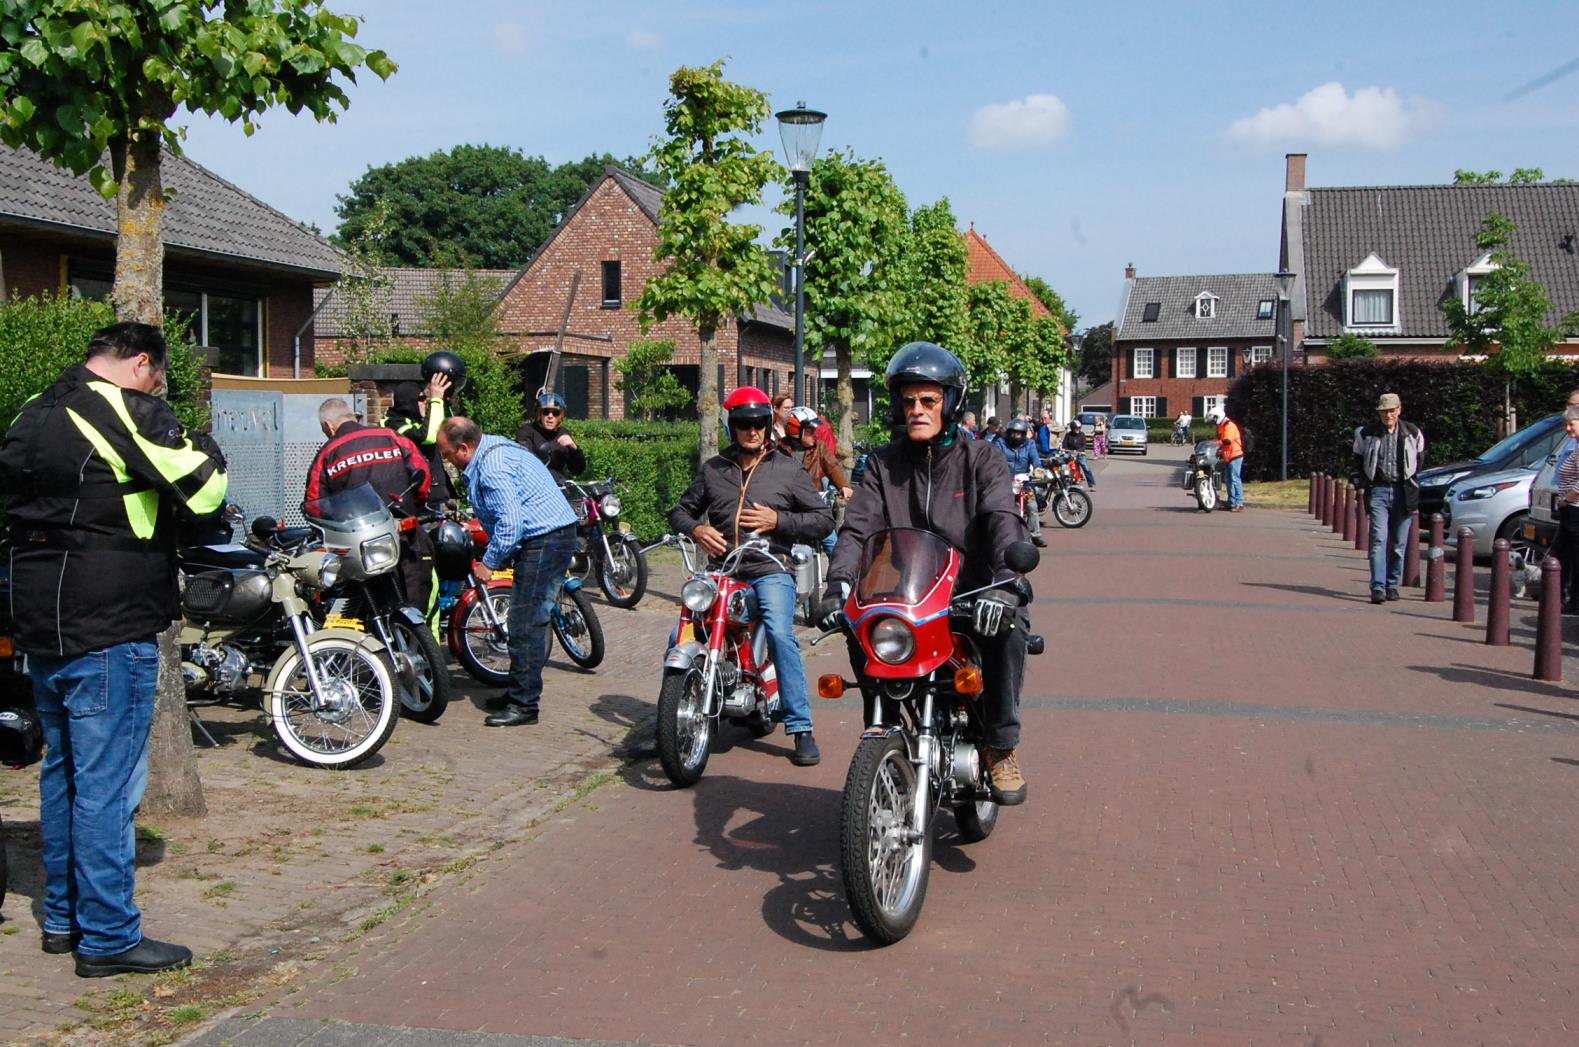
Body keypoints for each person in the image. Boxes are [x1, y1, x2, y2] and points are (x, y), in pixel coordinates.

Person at [0, 322, 227, 977]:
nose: (158, 388)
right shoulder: (129, 409)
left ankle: (63, 918)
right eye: (158, 377)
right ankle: (107, 935)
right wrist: (198, 439)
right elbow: (206, 490)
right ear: (141, 362)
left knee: (64, 774)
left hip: (40, 614)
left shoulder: (34, 409)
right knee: (107, 787)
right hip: (110, 617)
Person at [819, 342, 1033, 805]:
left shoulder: (982, 459)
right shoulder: (883, 464)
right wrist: (838, 584)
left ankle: (1000, 745)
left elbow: (1002, 518)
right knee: (859, 628)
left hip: (975, 594)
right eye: (908, 400)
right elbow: (857, 528)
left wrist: (1006, 581)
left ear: (950, 402)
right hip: (907, 595)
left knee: (1010, 631)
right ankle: (883, 732)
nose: (916, 409)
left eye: (928, 400)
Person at [670, 386, 833, 766]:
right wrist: (696, 528)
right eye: (745, 424)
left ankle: (801, 726)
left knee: (779, 632)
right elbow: (679, 511)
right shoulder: (714, 469)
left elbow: (823, 520)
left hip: (769, 567)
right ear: (733, 426)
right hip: (722, 569)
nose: (753, 430)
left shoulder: (787, 468)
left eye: (760, 423)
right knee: (684, 629)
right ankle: (673, 717)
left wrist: (780, 520)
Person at [437, 417, 578, 726]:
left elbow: (511, 524)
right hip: (549, 536)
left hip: (545, 539)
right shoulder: (493, 448)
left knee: (525, 622)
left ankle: (524, 705)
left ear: (464, 448)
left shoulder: (492, 467)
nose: (447, 462)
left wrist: (489, 563)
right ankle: (518, 690)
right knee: (525, 619)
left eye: (447, 455)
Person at [305, 398, 433, 612]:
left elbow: (315, 505)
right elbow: (422, 477)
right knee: (415, 605)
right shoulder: (391, 436)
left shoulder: (328, 453)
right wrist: (413, 507)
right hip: (405, 536)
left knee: (369, 609)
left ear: (329, 426)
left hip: (361, 546)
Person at [1352, 392, 1426, 604]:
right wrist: (1362, 482)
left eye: (1391, 411)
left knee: (1398, 543)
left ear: (1399, 410)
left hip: (1404, 492)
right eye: (1384, 411)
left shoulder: (1412, 432)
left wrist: (1411, 481)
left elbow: (1419, 459)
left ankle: (1392, 584)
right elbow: (1357, 458)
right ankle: (1377, 586)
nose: (1388, 415)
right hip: (1379, 490)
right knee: (1378, 538)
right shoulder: (1367, 433)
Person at [781, 408, 852, 556]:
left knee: (833, 543)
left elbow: (832, 466)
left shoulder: (820, 447)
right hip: (788, 509)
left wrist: (844, 486)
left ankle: (841, 569)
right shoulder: (779, 450)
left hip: (812, 507)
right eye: (810, 431)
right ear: (795, 431)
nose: (815, 434)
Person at [386, 372, 452, 506]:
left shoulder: (418, 421)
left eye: (426, 398)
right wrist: (436, 400)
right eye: (421, 398)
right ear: (408, 401)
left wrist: (444, 400)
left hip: (433, 497)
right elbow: (428, 437)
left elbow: (442, 429)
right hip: (415, 500)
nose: (425, 402)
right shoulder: (394, 424)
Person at [514, 392, 587, 482]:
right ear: (539, 414)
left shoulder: (564, 433)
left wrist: (574, 448)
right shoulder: (526, 431)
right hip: (532, 482)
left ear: (560, 417)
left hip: (559, 485)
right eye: (546, 412)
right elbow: (526, 463)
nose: (550, 416)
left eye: (555, 413)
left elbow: (577, 470)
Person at [998, 418, 1047, 547]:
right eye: (1013, 433)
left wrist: (1038, 468)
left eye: (1019, 433)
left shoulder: (1029, 444)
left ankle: (1035, 535)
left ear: (1023, 434)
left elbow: (1035, 459)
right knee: (998, 506)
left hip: (1024, 482)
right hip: (1005, 481)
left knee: (1032, 506)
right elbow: (995, 458)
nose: (1016, 435)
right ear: (1009, 433)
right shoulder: (1001, 443)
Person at [1211, 408, 1245, 512]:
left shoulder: (1229, 426)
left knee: (1235, 479)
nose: (1214, 421)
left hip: (1235, 456)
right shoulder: (1223, 426)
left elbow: (1227, 441)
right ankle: (1231, 503)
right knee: (1229, 480)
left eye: (1214, 418)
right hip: (1228, 457)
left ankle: (1239, 503)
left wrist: (1217, 443)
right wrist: (1219, 450)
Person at [1061, 421, 1097, 488]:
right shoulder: (1068, 435)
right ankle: (1061, 483)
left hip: (1080, 453)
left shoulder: (1082, 434)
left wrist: (1080, 451)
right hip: (1070, 453)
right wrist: (1066, 449)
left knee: (1086, 467)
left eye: (1079, 428)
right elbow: (1064, 444)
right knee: (1062, 464)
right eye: (1076, 428)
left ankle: (1092, 484)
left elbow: (1084, 445)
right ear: (1072, 428)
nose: (1077, 429)